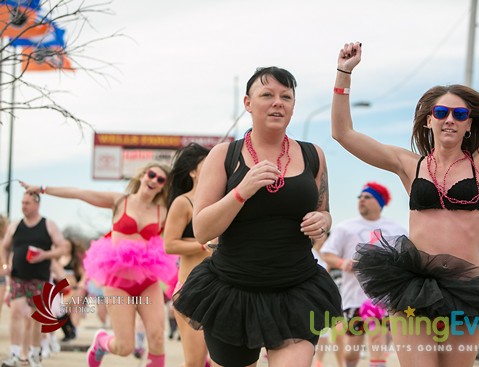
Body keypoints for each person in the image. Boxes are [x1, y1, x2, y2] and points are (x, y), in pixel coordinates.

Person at [330, 6, 479, 367]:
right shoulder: (409, 164)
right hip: (414, 285)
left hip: (468, 287)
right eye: (441, 113)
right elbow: (343, 133)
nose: (449, 120)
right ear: (429, 120)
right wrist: (343, 75)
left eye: (459, 115)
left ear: (469, 124)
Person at [172, 66, 342, 367]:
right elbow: (201, 229)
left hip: (296, 289)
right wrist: (242, 191)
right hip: (233, 291)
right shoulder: (224, 155)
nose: (278, 102)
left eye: (286, 96)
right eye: (267, 95)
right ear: (248, 103)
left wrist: (323, 221)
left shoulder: (313, 154)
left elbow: (323, 210)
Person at [20, 161, 177, 367]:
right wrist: (42, 189)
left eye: (160, 179)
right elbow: (79, 193)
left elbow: (188, 221)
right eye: (151, 175)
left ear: (163, 186)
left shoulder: (164, 212)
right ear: (141, 176)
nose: (154, 181)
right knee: (125, 347)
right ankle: (101, 343)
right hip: (118, 283)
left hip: (148, 281)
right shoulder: (120, 201)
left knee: (157, 338)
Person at [321, 182, 407, 367]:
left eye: (367, 197)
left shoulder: (396, 229)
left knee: (377, 343)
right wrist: (343, 263)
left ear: (379, 201)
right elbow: (327, 254)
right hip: (353, 299)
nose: (361, 200)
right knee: (351, 353)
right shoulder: (345, 227)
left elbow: (408, 258)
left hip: (383, 299)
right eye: (360, 197)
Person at [0, 192, 68, 367]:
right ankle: (15, 353)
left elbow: (62, 248)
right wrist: (5, 265)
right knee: (15, 313)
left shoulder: (48, 225)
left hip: (40, 277)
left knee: (36, 317)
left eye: (27, 203)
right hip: (18, 277)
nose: (24, 206)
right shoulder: (15, 225)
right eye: (22, 203)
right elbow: (5, 246)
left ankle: (34, 353)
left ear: (37, 204)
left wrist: (44, 254)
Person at [163, 142, 211, 367]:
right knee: (195, 362)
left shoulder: (220, 202)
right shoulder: (183, 203)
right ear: (192, 171)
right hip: (191, 291)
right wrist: (201, 244)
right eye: (206, 163)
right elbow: (169, 244)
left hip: (220, 291)